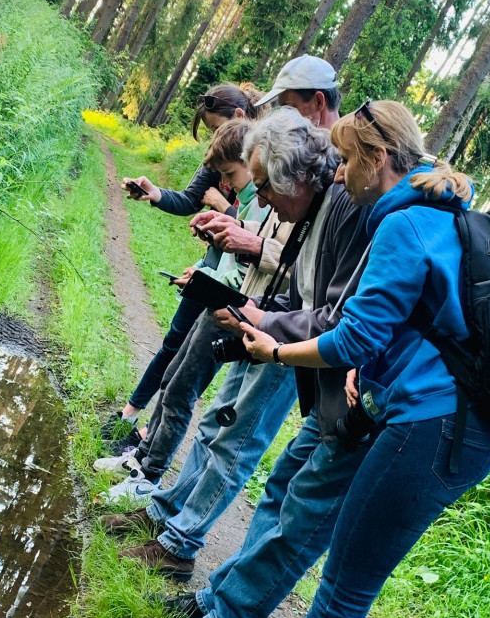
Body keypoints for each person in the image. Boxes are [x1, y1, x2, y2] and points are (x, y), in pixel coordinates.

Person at [176, 100, 490, 618]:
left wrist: (274, 352)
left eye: (348, 159)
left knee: (344, 591)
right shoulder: (440, 212)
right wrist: (371, 371)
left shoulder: (402, 221)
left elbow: (354, 333)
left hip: (427, 428)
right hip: (433, 419)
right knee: (337, 572)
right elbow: (424, 329)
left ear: (376, 159)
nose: (338, 171)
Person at [101, 108, 365, 585]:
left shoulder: (341, 208)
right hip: (270, 320)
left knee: (237, 441)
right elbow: (299, 285)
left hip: (289, 341)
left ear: (296, 178)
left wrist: (260, 315)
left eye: (263, 186)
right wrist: (248, 305)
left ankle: (179, 546)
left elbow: (335, 313)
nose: (257, 197)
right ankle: (167, 515)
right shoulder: (310, 205)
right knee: (215, 422)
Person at [97, 118, 294, 498]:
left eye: (232, 174)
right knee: (172, 379)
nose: (232, 183)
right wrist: (206, 266)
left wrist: (232, 237)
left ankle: (148, 477)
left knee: (182, 389)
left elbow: (281, 265)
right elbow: (237, 254)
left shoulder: (268, 197)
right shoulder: (257, 199)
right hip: (220, 297)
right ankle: (141, 458)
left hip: (240, 307)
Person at [99, 84, 262, 444]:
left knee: (192, 365)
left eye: (215, 130)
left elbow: (266, 232)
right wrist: (154, 193)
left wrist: (224, 209)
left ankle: (148, 437)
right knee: (174, 343)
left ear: (238, 118)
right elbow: (190, 198)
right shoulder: (223, 156)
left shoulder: (266, 167)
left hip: (238, 286)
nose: (212, 141)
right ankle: (131, 414)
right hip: (210, 269)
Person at [255, 54, 340, 130]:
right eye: (283, 109)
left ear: (318, 101)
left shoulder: (347, 146)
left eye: (290, 108)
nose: (284, 117)